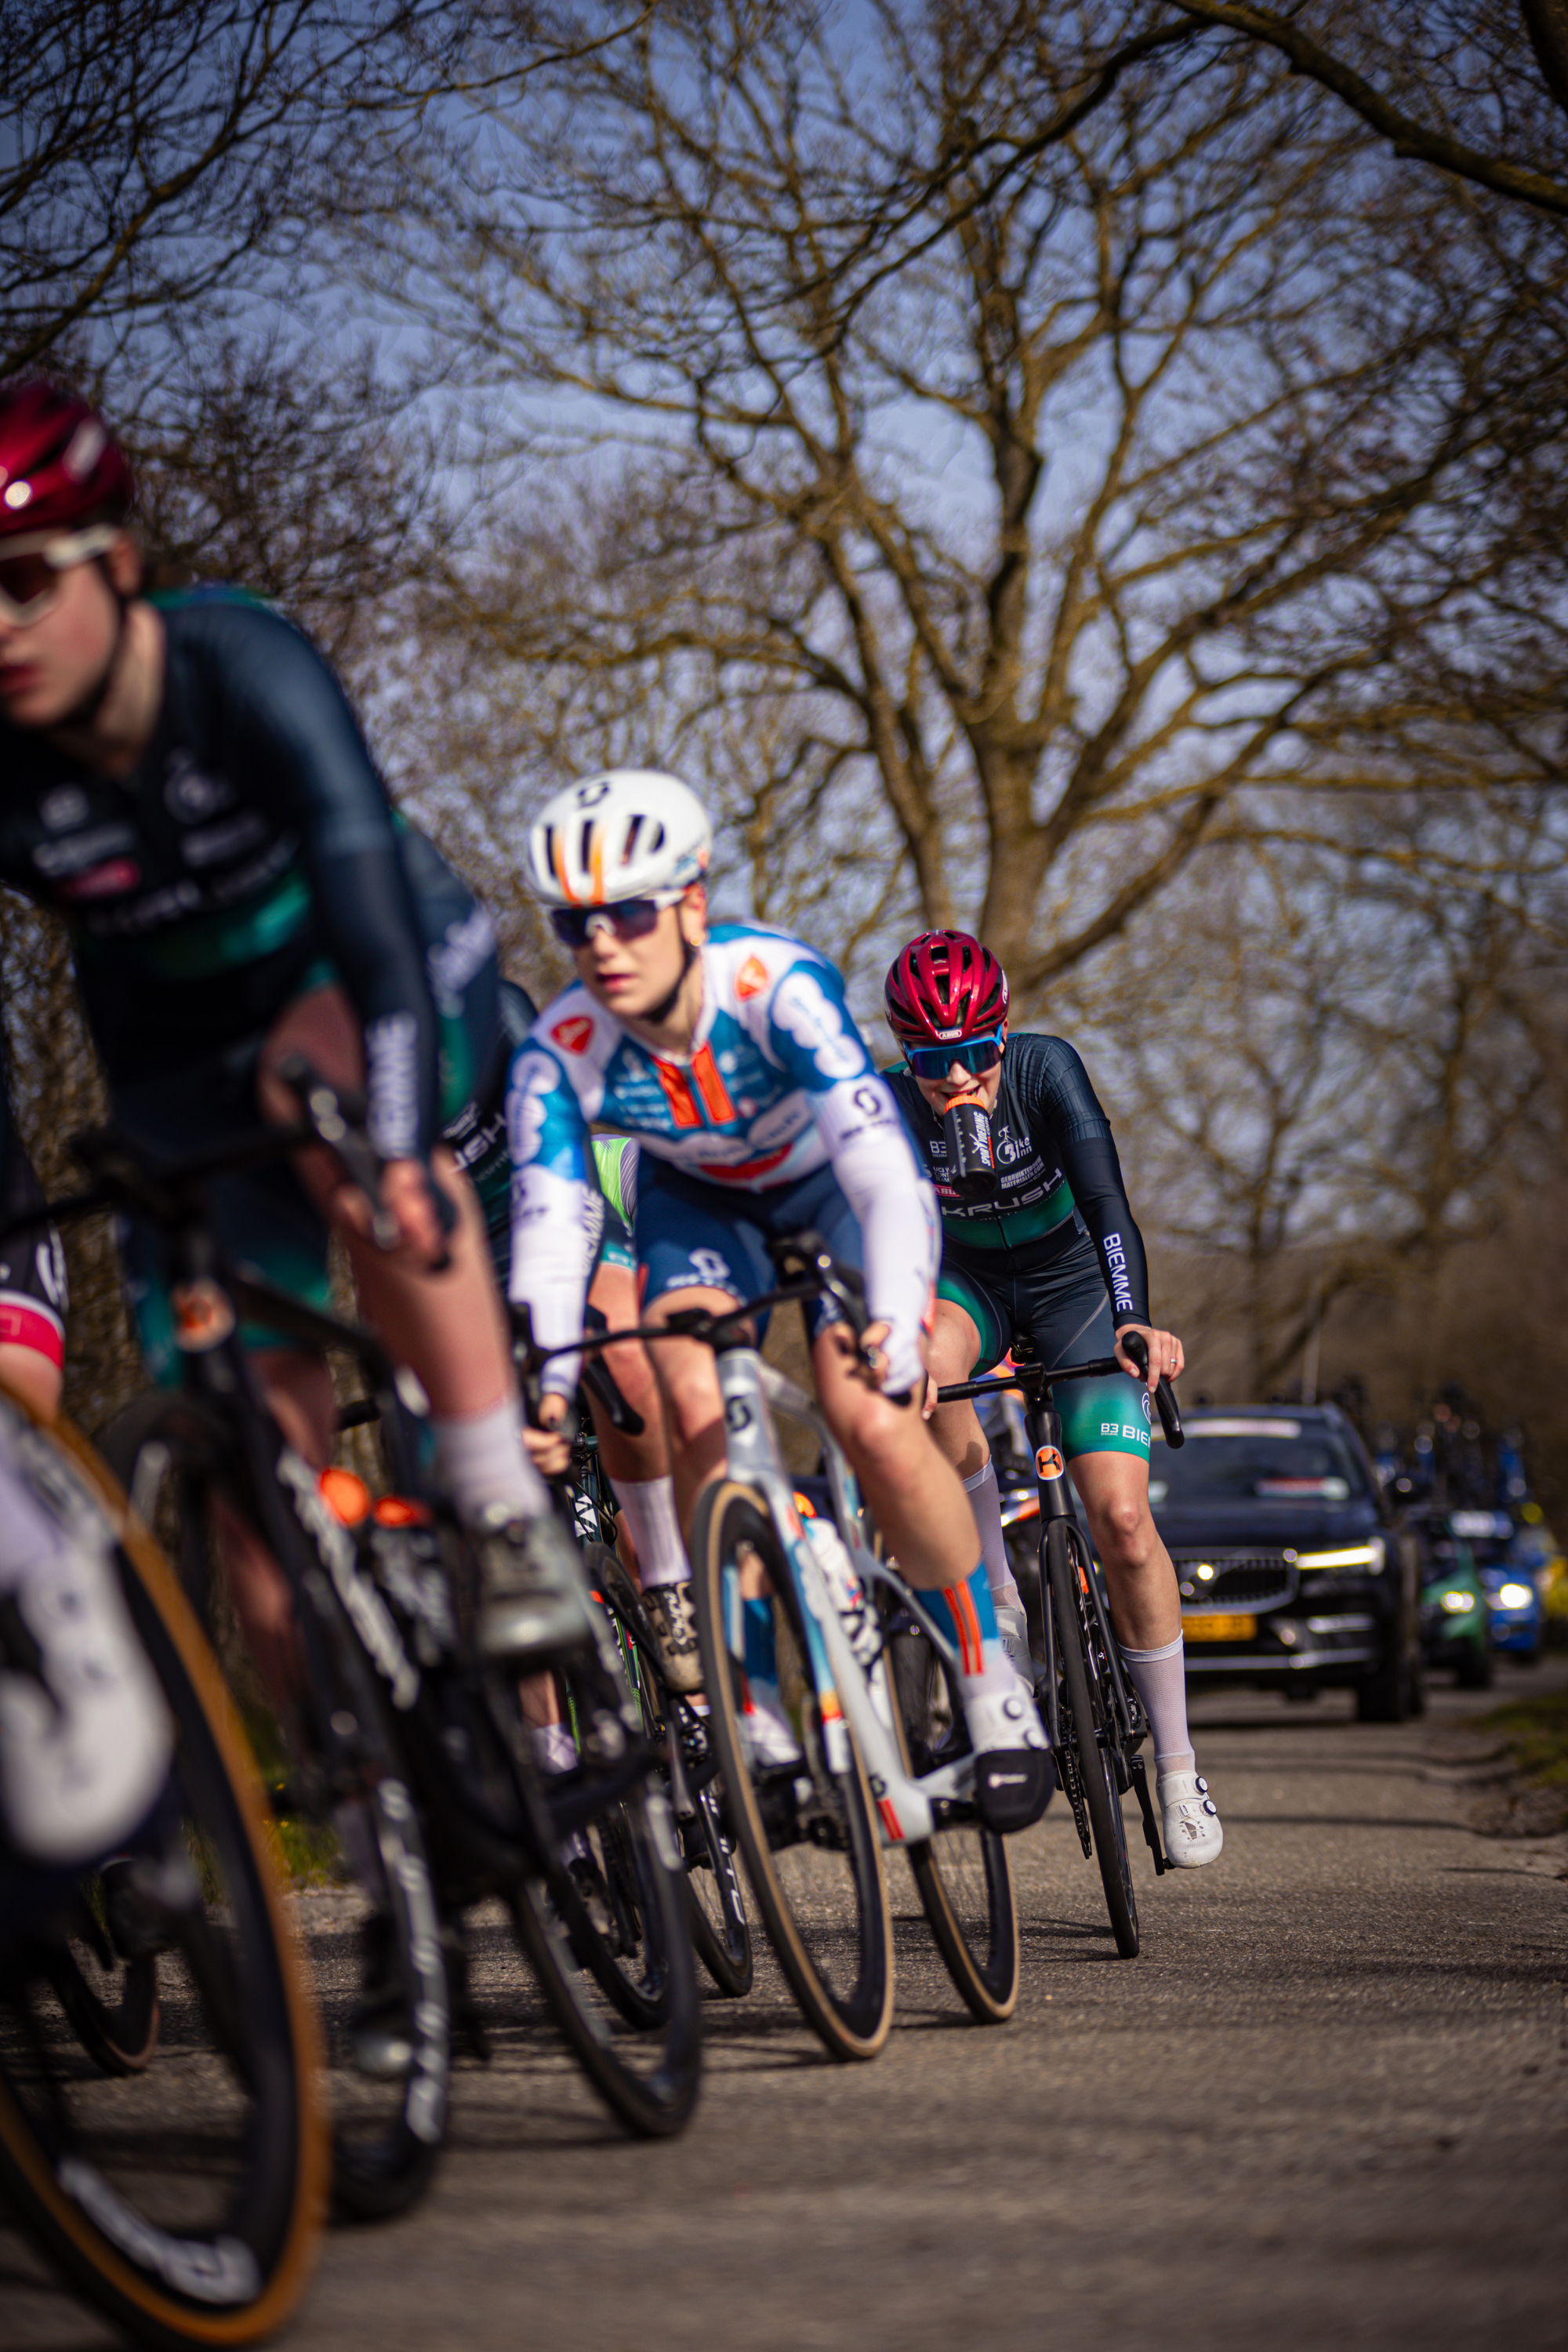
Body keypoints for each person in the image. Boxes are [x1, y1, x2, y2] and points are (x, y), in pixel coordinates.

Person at [0, 379, 593, 1679]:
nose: (3, 628)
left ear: (119, 562)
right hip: (178, 1048)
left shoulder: (236, 663)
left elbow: (370, 917)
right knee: (260, 1527)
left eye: (29, 579)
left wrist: (389, 1148)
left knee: (325, 1116)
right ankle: (388, 1799)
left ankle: (500, 1511)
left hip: (371, 959)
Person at [506, 769, 1052, 1835]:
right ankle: (755, 1715)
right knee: (695, 1413)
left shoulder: (775, 985)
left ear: (692, 904)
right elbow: (548, 1228)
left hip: (830, 1189)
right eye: (575, 922)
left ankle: (994, 1688)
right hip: (699, 1205)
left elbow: (886, 1173)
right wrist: (547, 1382)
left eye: (627, 912)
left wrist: (895, 1321)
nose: (602, 944)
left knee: (872, 1419)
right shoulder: (560, 1053)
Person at [881, 930, 1221, 1867]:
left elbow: (1108, 1204)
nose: (958, 1079)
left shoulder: (1042, 1072)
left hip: (1074, 1290)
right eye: (931, 1062)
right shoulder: (889, 1110)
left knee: (1118, 1517)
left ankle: (1177, 1766)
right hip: (970, 1290)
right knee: (915, 1363)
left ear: (1001, 1038)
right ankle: (997, 1596)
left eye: (974, 1054)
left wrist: (1134, 1317)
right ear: (903, 1056)